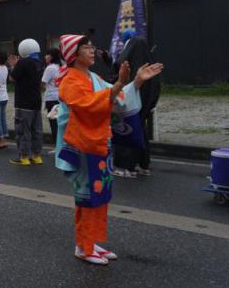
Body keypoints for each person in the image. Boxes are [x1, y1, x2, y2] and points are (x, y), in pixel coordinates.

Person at [55, 34, 163, 265]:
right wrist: (118, 84)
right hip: (82, 146)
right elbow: (89, 105)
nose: (92, 51)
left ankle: (91, 242)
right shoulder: (69, 81)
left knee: (100, 194)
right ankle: (83, 246)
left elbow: (118, 98)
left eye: (92, 47)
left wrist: (137, 81)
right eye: (86, 47)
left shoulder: (93, 77)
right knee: (86, 196)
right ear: (74, 54)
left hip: (100, 143)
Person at [112, 33, 161, 178]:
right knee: (141, 131)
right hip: (145, 106)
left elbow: (117, 71)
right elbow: (156, 87)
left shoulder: (128, 64)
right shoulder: (150, 65)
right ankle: (142, 164)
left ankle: (124, 166)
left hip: (128, 106)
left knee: (125, 132)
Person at [8, 39, 43, 166]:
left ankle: (24, 157)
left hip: (23, 102)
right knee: (36, 130)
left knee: (23, 130)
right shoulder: (39, 63)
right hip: (36, 102)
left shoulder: (23, 62)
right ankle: (36, 156)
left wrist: (13, 65)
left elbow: (12, 77)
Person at [42, 48, 62, 150]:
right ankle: (62, 146)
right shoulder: (61, 66)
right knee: (60, 123)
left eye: (47, 55)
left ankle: (57, 147)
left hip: (51, 98)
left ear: (52, 56)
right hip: (61, 97)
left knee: (54, 124)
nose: (45, 57)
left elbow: (43, 82)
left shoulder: (50, 68)